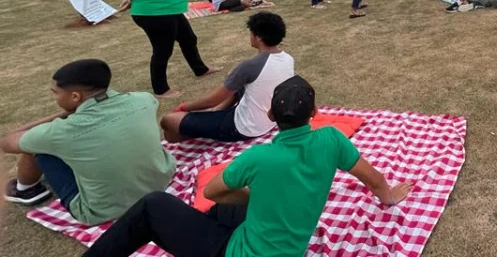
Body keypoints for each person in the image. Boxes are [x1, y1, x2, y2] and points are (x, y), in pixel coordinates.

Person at [83, 76, 411, 257]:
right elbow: (373, 179)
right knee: (224, 213)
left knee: (153, 205)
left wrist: (255, 194)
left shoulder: (258, 158)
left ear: (270, 116)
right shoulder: (332, 140)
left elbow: (212, 191)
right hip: (282, 247)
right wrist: (390, 197)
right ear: (314, 114)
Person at [1, 60, 176, 225]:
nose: (55, 98)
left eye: (55, 93)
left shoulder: (61, 131)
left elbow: (7, 141)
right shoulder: (144, 99)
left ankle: (25, 190)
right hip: (161, 180)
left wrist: (62, 115)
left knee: (35, 146)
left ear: (75, 96)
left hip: (103, 211)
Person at [159, 12, 295, 143]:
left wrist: (184, 107)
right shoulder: (288, 59)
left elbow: (212, 100)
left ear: (258, 37)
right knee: (237, 82)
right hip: (270, 120)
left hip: (244, 128)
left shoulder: (249, 66)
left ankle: (204, 128)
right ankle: (213, 115)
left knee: (168, 120)